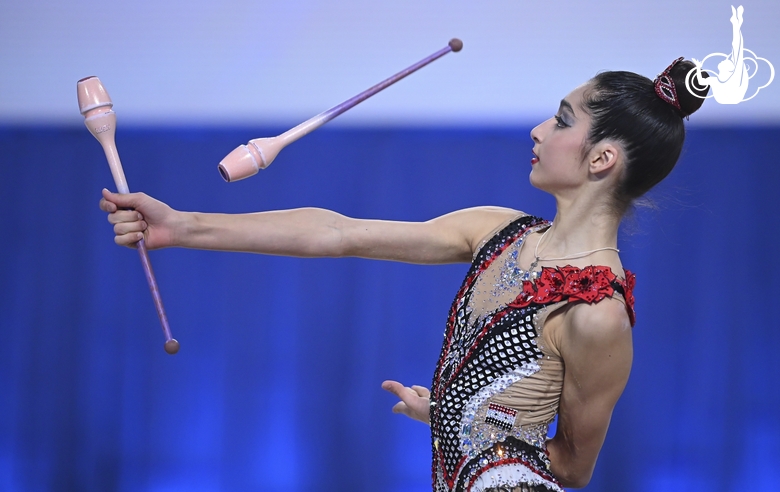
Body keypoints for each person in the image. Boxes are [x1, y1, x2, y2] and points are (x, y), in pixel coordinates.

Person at [99, 58, 707, 491]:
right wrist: (180, 227)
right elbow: (339, 233)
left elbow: (572, 468)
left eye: (561, 119)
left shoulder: (596, 312)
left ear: (602, 158)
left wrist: (472, 430)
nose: (540, 130)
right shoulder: (502, 230)